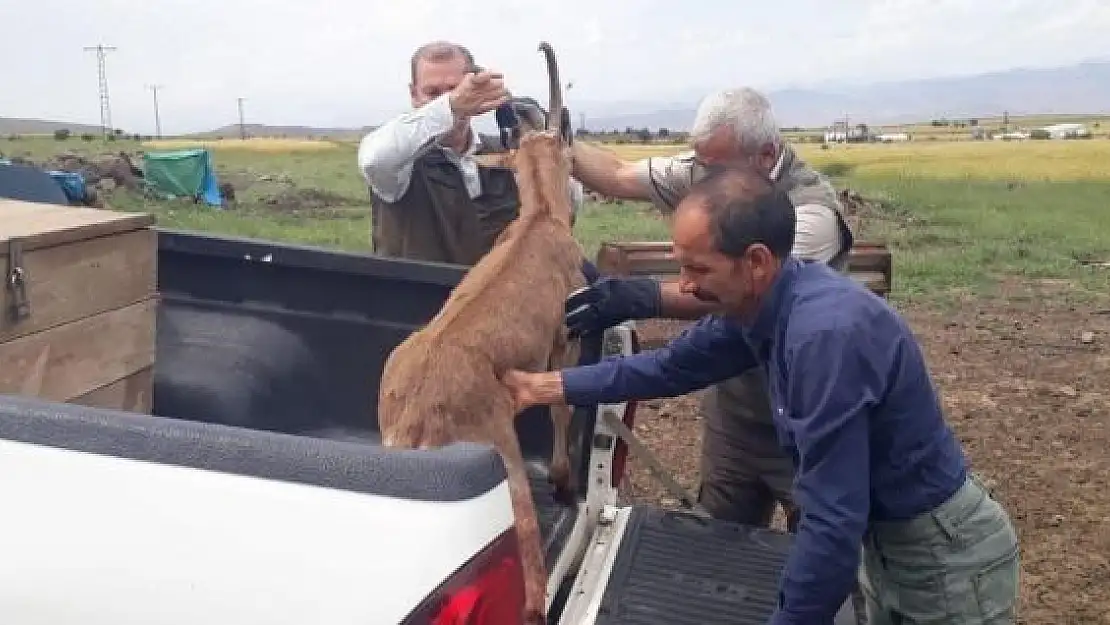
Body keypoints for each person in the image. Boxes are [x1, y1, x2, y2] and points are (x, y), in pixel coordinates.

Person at [502, 168, 1021, 625]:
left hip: (942, 559)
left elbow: (833, 518)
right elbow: (671, 366)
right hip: (888, 546)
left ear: (755, 261)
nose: (685, 286)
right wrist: (547, 386)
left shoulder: (824, 338)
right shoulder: (762, 305)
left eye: (698, 269)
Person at [564, 87, 854, 530]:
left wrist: (642, 296)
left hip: (805, 415)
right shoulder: (714, 172)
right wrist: (558, 138)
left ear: (766, 155)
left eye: (716, 166)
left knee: (819, 540)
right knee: (722, 533)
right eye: (700, 164)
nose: (703, 177)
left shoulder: (810, 215)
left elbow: (739, 290)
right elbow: (619, 174)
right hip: (736, 408)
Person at [357, 40, 585, 266]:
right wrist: (451, 106)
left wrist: (545, 153)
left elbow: (568, 203)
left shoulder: (508, 153)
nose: (447, 98)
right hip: (418, 298)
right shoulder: (399, 166)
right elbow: (373, 161)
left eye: (454, 90)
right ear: (414, 94)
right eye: (432, 93)